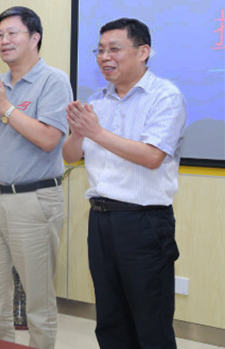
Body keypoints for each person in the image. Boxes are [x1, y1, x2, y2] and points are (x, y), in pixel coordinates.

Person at [62, 18, 186, 348]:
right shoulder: (97, 102)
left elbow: (152, 156)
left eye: (114, 49)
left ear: (143, 52)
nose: (105, 57)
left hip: (144, 223)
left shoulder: (165, 97)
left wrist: (95, 131)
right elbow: (70, 156)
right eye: (100, 50)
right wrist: (78, 132)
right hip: (101, 220)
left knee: (151, 323)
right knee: (110, 321)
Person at [0, 6, 72, 349]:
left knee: (37, 300)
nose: (4, 41)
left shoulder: (53, 81)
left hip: (33, 201)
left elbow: (49, 140)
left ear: (35, 37)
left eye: (12, 33)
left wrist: (5, 108)